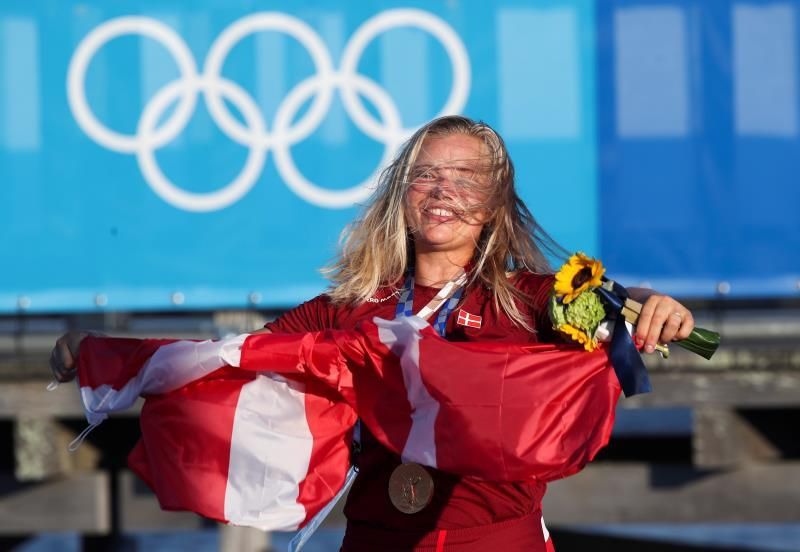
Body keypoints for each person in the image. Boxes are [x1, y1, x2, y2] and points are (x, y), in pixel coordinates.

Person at [51, 115, 695, 551]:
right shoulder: (350, 307)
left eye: (466, 177)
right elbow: (232, 361)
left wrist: (652, 305)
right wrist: (104, 354)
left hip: (495, 542)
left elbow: (615, 307)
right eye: (426, 175)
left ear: (496, 202)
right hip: (374, 538)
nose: (442, 189)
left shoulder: (530, 300)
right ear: (401, 194)